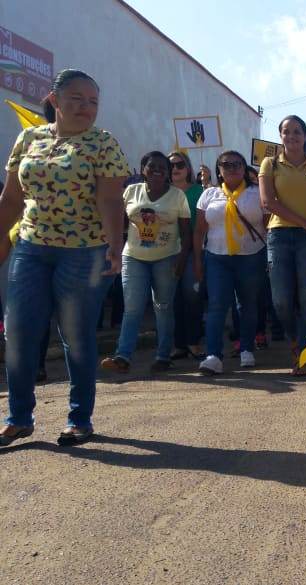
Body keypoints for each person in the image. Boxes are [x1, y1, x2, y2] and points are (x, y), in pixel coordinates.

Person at [0, 69, 130, 446]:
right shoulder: (29, 138)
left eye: (93, 101)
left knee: (75, 335)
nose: (86, 107)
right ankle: (19, 418)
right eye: (76, 98)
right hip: (31, 247)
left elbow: (110, 199)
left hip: (84, 252)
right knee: (20, 332)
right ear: (55, 100)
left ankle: (79, 419)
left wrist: (114, 245)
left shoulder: (103, 143)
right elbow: (11, 198)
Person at [100, 152, 190, 374]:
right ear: (143, 170)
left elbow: (186, 232)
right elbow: (119, 223)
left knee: (163, 307)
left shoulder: (178, 196)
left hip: (167, 258)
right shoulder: (131, 191)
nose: (158, 170)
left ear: (168, 172)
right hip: (133, 258)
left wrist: (181, 259)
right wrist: (113, 246)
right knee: (132, 308)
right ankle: (123, 357)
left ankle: (163, 356)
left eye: (163, 167)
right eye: (152, 166)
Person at [259, 115, 306, 376]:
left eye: (297, 131)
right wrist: (304, 222)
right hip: (279, 236)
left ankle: (303, 353)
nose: (292, 136)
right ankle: (293, 340)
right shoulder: (270, 164)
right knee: (281, 301)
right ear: (280, 136)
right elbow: (268, 203)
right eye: (286, 132)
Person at [194, 150, 267, 375]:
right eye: (226, 164)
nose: (232, 168)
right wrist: (197, 260)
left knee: (247, 304)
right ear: (219, 170)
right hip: (217, 257)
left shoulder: (257, 194)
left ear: (244, 168)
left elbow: (267, 225)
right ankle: (214, 355)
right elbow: (198, 231)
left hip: (251, 256)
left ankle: (246, 349)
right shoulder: (209, 194)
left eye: (237, 164)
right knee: (217, 305)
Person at [169, 151, 206, 360]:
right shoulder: (163, 192)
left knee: (193, 297)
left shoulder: (199, 191)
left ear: (188, 168)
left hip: (193, 251)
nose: (175, 168)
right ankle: (178, 345)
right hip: (167, 252)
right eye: (171, 165)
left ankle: (193, 342)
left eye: (180, 164)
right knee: (172, 300)